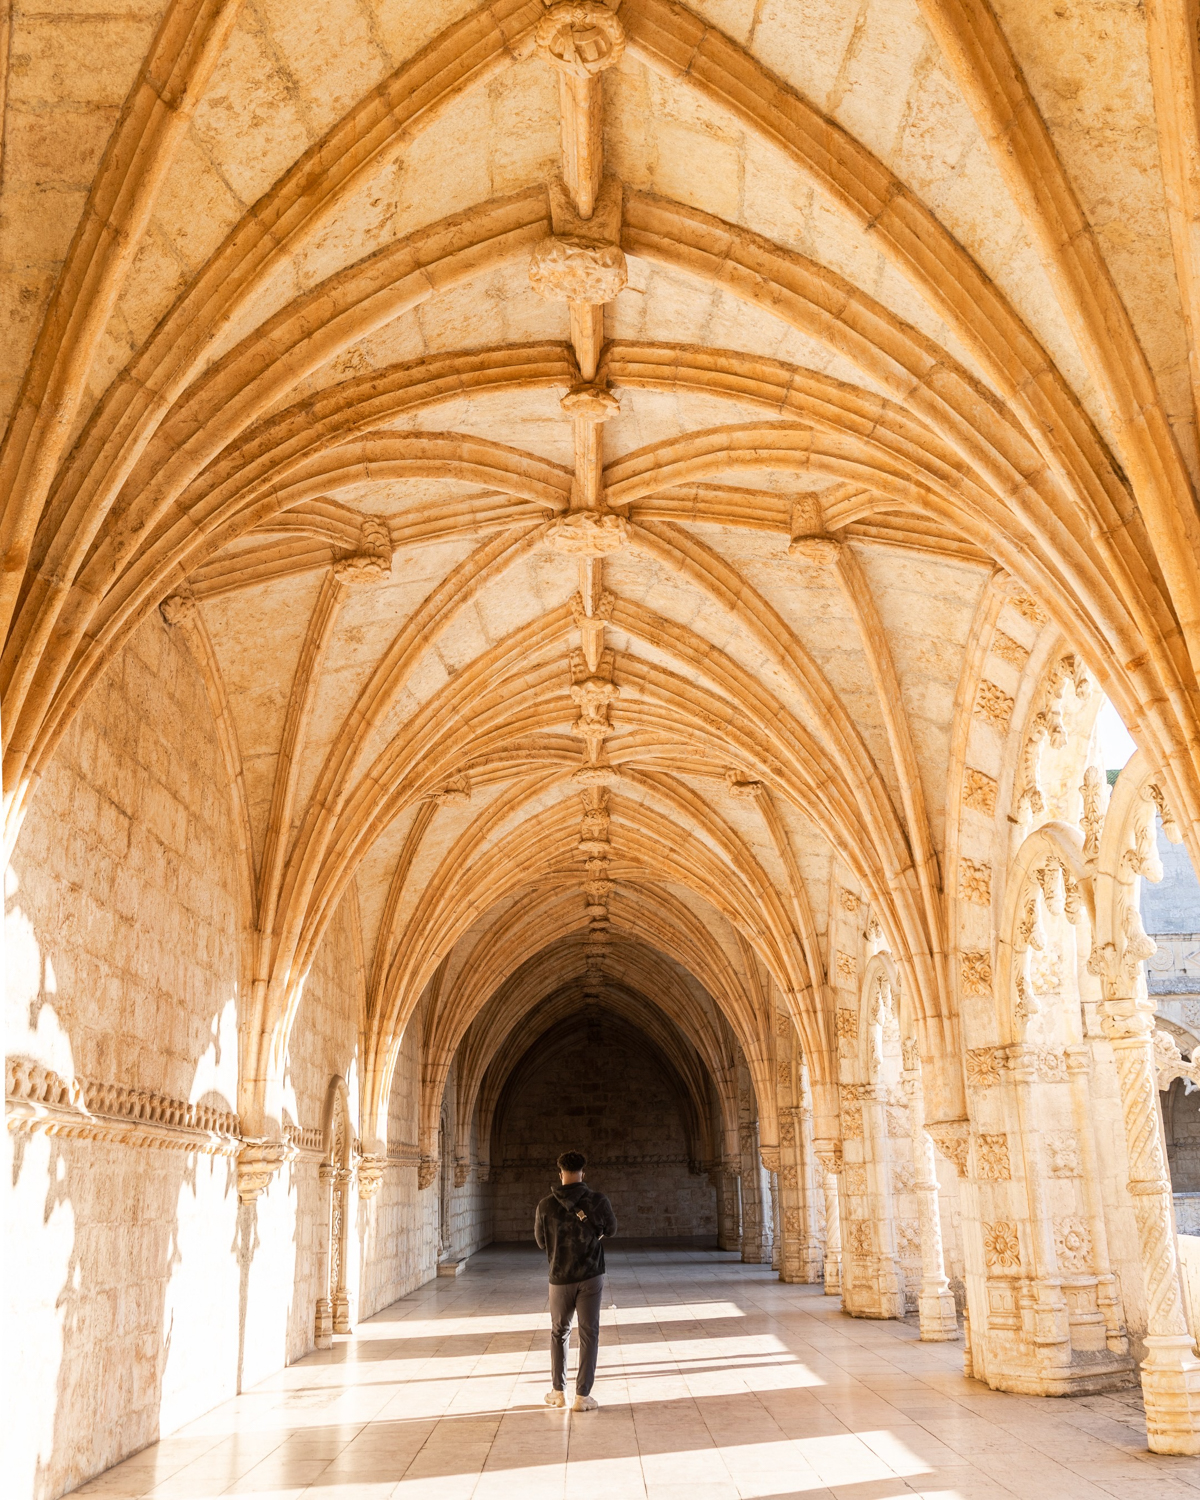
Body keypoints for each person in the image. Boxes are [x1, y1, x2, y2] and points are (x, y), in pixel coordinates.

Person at [534, 1149, 617, 1412]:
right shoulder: (598, 1200)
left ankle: (558, 1393)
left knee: (559, 1332)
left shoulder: (545, 1205)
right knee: (589, 1333)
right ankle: (583, 1396)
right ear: (584, 1172)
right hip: (591, 1275)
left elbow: (540, 1242)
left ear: (560, 1174)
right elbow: (612, 1230)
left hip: (559, 1278)